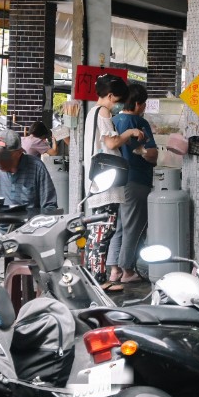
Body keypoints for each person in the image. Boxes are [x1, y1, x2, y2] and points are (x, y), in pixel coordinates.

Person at [83, 75, 146, 284]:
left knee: (96, 231)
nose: (118, 105)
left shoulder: (92, 111)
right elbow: (111, 143)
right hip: (106, 183)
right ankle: (99, 281)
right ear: (110, 96)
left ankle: (94, 277)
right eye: (117, 100)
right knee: (104, 230)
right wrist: (130, 132)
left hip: (96, 180)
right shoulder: (103, 112)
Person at [107, 83, 158, 290]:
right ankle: (127, 270)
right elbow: (152, 155)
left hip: (116, 181)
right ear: (138, 104)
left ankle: (114, 269)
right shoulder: (138, 122)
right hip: (136, 179)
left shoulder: (113, 121)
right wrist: (146, 153)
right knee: (133, 227)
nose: (144, 107)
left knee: (119, 225)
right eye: (143, 103)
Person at [0, 128, 58, 211]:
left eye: (4, 156)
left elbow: (50, 206)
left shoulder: (37, 167)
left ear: (19, 153)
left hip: (28, 222)